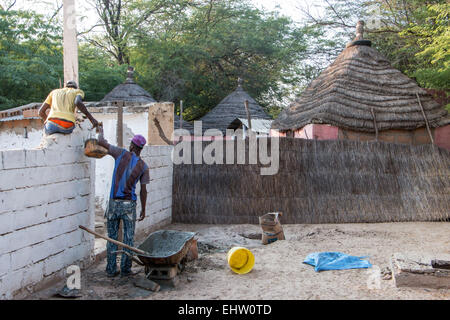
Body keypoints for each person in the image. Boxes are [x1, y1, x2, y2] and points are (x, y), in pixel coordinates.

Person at [97, 125, 149, 277]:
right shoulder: (144, 167)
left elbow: (101, 142)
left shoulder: (120, 153)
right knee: (128, 238)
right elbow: (143, 190)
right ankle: (126, 269)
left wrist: (101, 129)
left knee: (112, 237)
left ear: (132, 145)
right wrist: (143, 209)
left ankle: (111, 269)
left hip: (113, 203)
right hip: (129, 205)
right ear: (141, 148)